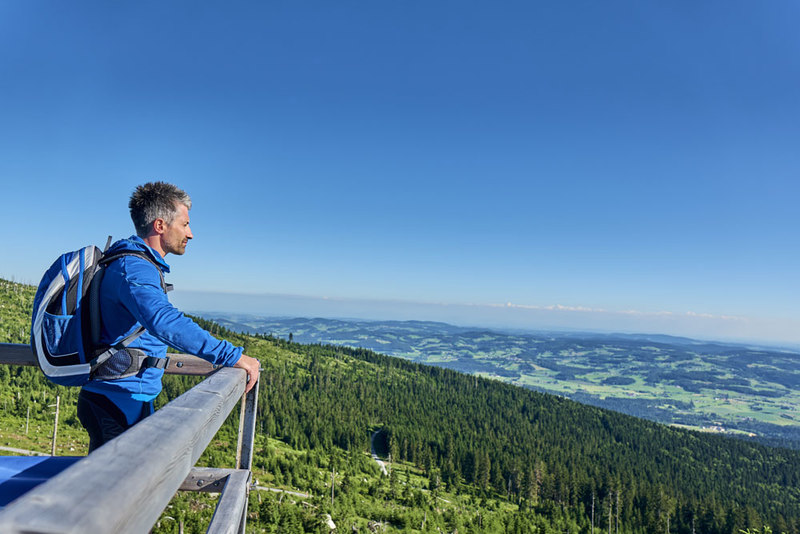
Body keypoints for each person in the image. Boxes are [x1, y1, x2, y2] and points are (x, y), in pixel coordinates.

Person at [77, 181, 260, 452]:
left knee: (131, 488)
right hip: (116, 401)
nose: (191, 233)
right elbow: (163, 321)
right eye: (185, 224)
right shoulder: (134, 268)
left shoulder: (134, 263)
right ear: (160, 226)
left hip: (126, 397)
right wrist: (232, 355)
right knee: (115, 490)